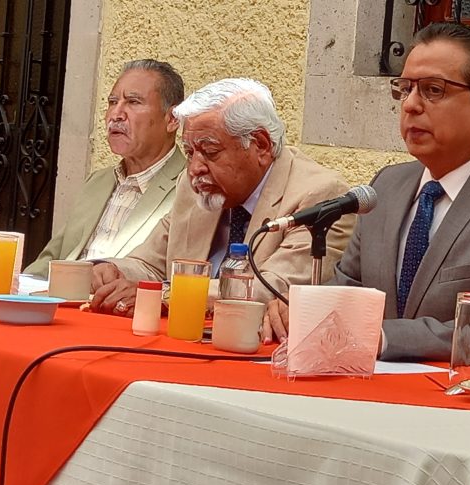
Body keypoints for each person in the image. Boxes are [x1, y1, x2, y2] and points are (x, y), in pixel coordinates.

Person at [263, 22, 470, 362]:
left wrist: (383, 337)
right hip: (370, 385)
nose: (410, 105)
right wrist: (305, 309)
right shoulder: (386, 186)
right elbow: (349, 288)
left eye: (433, 90)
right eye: (405, 88)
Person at [89, 78, 354, 315]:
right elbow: (149, 264)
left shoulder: (320, 195)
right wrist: (114, 271)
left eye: (210, 152)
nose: (194, 168)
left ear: (261, 145)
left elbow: (273, 289)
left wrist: (167, 295)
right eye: (190, 152)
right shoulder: (194, 186)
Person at [25, 59, 186, 278]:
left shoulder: (189, 189)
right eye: (112, 102)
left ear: (172, 119)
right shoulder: (97, 182)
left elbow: (178, 279)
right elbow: (51, 260)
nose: (116, 115)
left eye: (133, 102)